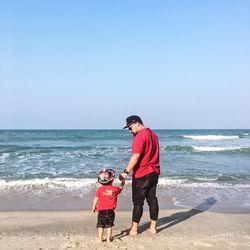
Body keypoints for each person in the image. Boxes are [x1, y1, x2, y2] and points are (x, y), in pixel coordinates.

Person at [119, 115, 160, 235]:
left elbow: (136, 156)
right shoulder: (153, 135)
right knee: (152, 200)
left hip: (142, 173)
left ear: (137, 123)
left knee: (138, 202)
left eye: (130, 127)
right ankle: (153, 228)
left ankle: (134, 229)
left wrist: (125, 172)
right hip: (154, 172)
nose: (130, 130)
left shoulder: (140, 137)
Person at [92, 168, 125, 242]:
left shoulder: (100, 189)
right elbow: (121, 188)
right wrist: (123, 181)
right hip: (111, 211)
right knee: (109, 225)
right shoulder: (115, 189)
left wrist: (94, 206)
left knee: (101, 225)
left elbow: (96, 198)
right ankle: (108, 239)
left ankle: (100, 239)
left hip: (101, 211)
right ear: (112, 180)